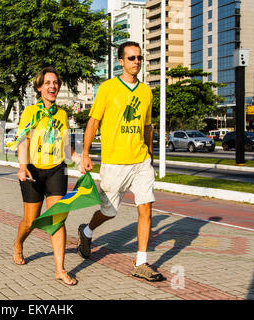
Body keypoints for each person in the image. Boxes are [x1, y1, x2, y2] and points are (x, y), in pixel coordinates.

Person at [77, 41, 164, 282]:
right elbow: (93, 121)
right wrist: (85, 153)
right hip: (114, 162)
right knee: (110, 211)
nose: (137, 62)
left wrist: (150, 153)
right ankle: (87, 230)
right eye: (132, 58)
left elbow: (147, 125)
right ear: (121, 61)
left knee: (146, 207)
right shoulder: (107, 88)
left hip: (140, 161)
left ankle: (141, 262)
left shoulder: (146, 92)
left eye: (139, 58)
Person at [13, 67, 81, 286]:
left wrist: (79, 159)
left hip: (56, 170)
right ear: (39, 87)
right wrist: (22, 167)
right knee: (30, 221)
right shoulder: (31, 112)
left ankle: (60, 270)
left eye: (55, 83)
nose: (52, 86)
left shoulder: (62, 114)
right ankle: (18, 243)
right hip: (33, 170)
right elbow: (23, 140)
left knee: (57, 218)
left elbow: (66, 144)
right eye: (48, 83)